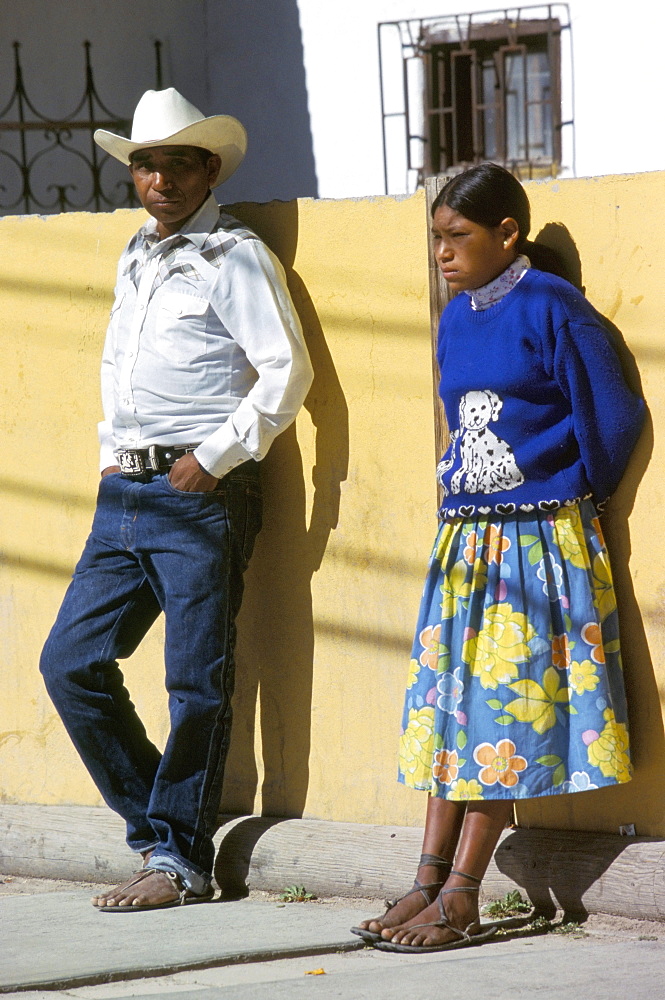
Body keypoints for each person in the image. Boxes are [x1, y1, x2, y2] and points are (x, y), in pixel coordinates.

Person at [353, 163, 645, 952]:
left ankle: (463, 895)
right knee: (450, 709)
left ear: (506, 234)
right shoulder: (456, 316)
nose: (442, 253)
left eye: (458, 237)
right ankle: (424, 881)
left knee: (499, 714)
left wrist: (570, 499)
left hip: (535, 542)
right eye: (436, 238)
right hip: (466, 543)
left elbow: (614, 419)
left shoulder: (553, 308)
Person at [39, 88, 313, 911]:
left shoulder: (235, 256)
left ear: (207, 169)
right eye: (146, 164)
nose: (159, 178)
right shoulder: (135, 253)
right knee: (72, 664)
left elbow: (286, 371)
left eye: (176, 163)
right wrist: (110, 458)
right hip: (124, 490)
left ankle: (182, 861)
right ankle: (158, 829)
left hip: (199, 491)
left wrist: (214, 458)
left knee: (196, 680)